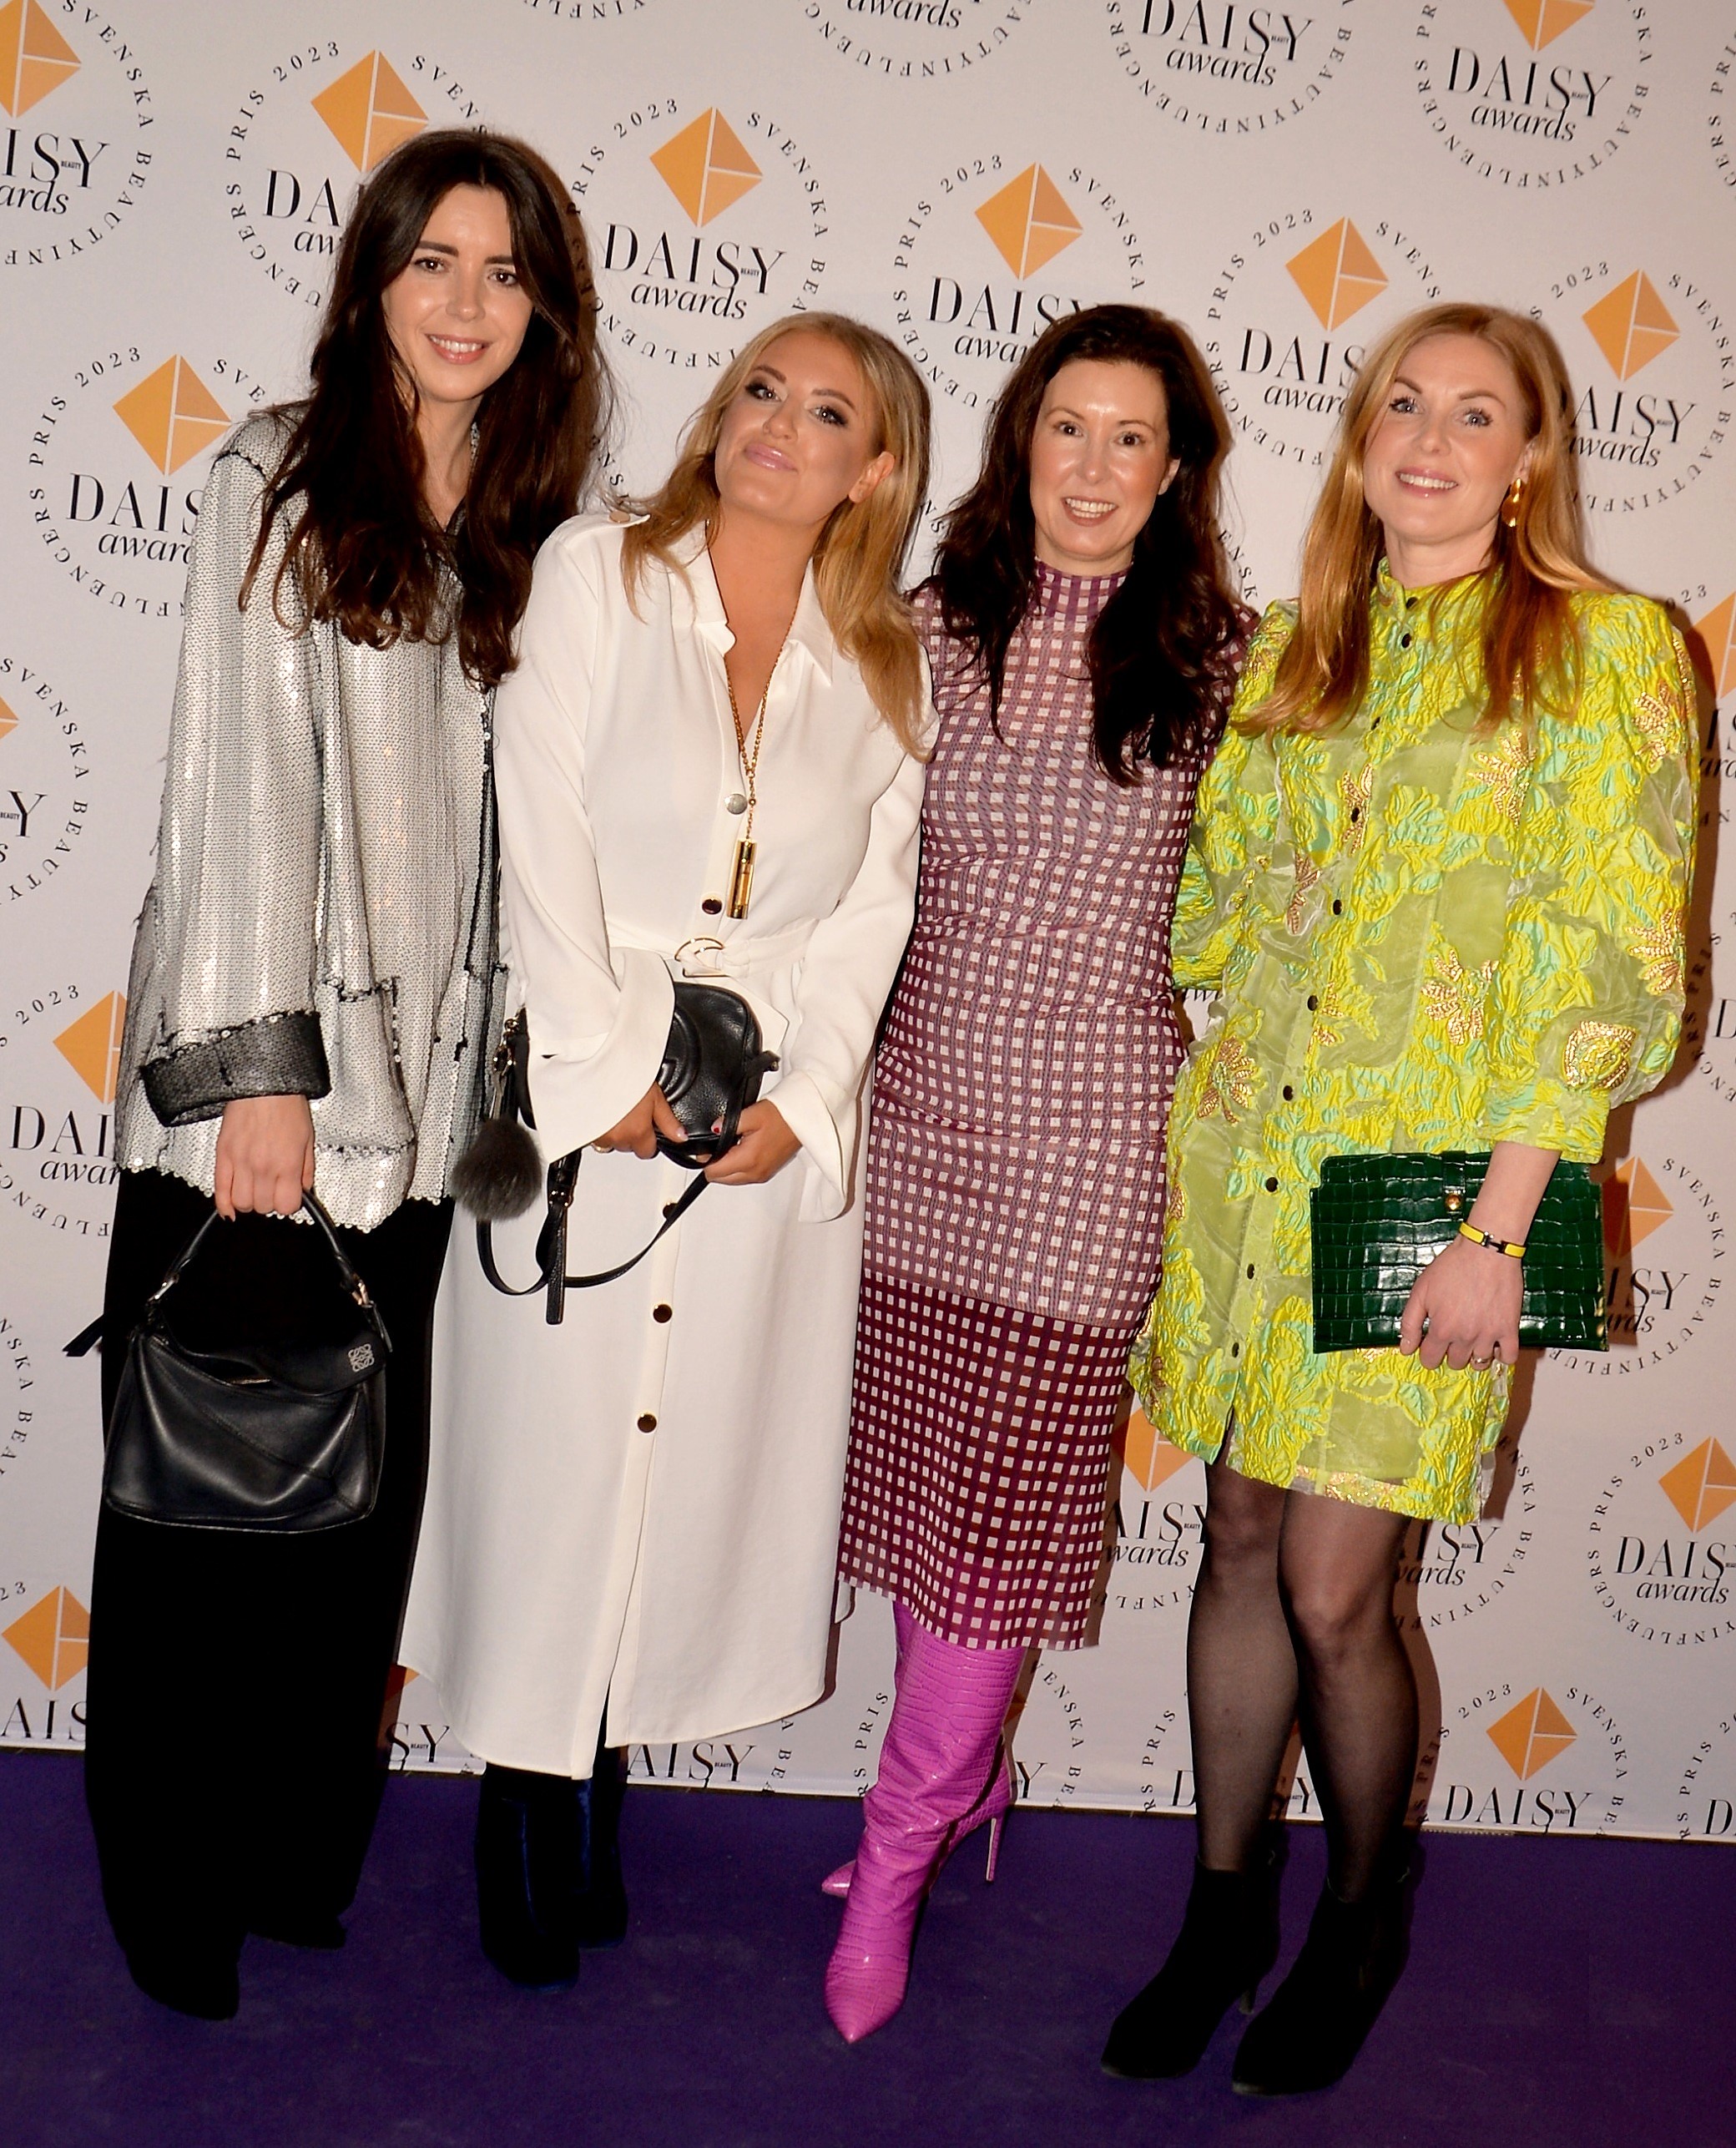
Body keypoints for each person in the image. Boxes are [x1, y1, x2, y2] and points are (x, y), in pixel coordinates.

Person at [1103, 303, 1696, 2095]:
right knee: (1236, 1538)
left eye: (1474, 415)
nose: (1429, 442)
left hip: (1436, 1187)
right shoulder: (1298, 649)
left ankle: (1363, 1913)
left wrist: (1498, 1232)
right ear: (1360, 443)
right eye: (1400, 408)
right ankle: (1222, 1908)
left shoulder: (1604, 647)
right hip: (1254, 1164)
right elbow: (1211, 907)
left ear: (1529, 457)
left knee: (1338, 1586)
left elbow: (1610, 969)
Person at [85, 129, 607, 2020]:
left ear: (546, 308)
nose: (466, 303)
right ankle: (170, 1888)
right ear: (370, 281)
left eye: (505, 271)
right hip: (279, 1106)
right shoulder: (280, 476)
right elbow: (236, 781)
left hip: (427, 1117)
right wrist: (258, 1078)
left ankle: (294, 1851)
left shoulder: (539, 521)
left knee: (347, 1510)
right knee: (204, 1513)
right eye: (430, 262)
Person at [400, 313, 932, 1992]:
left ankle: (604, 1774)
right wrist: (607, 1063)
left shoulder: (885, 663)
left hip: (752, 1130)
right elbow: (536, 816)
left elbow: (871, 910)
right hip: (581, 1096)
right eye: (761, 389)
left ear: (875, 470)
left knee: (677, 1462)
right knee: (552, 1461)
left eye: (827, 411)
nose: (779, 424)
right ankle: (520, 1795)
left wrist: (808, 1097)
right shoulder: (599, 573)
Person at [825, 305, 1249, 2043]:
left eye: (1130, 436)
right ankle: (965, 1783)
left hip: (1092, 1144)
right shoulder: (923, 627)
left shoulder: (1226, 666)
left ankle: (895, 1859)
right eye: (1067, 427)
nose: (1093, 465)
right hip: (916, 1115)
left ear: (1175, 467)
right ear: (1020, 442)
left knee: (996, 1521)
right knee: (924, 1490)